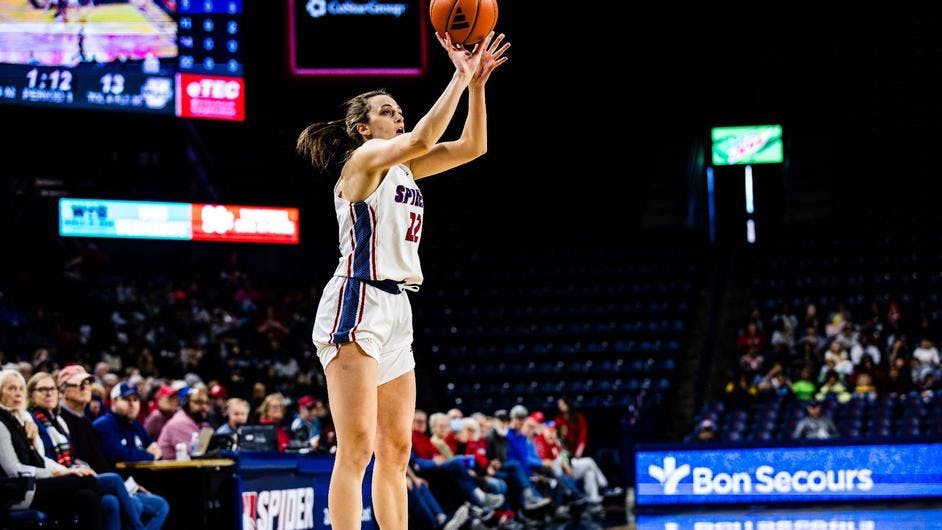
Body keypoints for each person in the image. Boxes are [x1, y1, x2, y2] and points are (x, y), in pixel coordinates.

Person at [298, 30, 509, 530]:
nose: (398, 115)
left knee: (395, 450)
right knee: (356, 449)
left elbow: (474, 147)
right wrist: (458, 75)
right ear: (362, 127)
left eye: (398, 109)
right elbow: (421, 139)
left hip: (398, 308)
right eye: (387, 111)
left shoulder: (406, 170)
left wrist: (476, 84)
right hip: (358, 298)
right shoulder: (363, 161)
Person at [0, 369, 104, 529]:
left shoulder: (22, 418)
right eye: (11, 388)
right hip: (17, 492)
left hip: (35, 485)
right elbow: (14, 471)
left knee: (87, 496)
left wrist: (33, 438)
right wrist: (62, 472)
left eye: (21, 388)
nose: (18, 393)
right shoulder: (1, 423)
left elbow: (40, 457)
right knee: (88, 481)